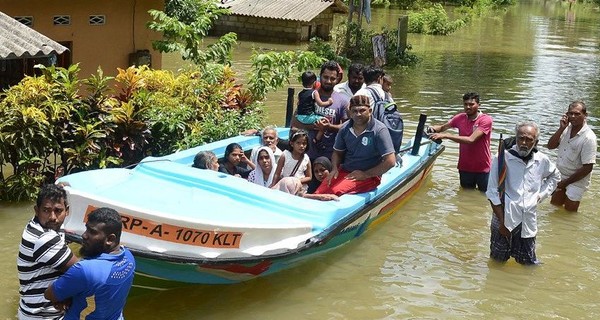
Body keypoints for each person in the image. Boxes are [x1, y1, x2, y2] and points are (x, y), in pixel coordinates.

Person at [486, 121, 560, 265]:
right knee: (497, 261)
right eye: (521, 138)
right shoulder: (502, 158)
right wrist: (502, 223)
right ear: (516, 138)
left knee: (528, 263)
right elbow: (492, 192)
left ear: (536, 142)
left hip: (527, 219)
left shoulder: (541, 160)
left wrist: (541, 195)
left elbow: (555, 176)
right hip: (504, 215)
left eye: (529, 139)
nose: (524, 143)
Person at [45, 207, 135, 320]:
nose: (84, 235)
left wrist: (66, 294)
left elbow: (49, 294)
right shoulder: (129, 257)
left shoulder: (84, 270)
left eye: (92, 232)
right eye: (86, 229)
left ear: (110, 239)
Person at [17, 184, 78, 320]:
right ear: (36, 211)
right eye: (46, 210)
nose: (52, 217)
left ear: (66, 211)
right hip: (41, 316)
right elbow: (82, 272)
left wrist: (59, 186)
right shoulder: (43, 238)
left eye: (58, 211)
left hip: (33, 309)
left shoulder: (41, 224)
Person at [316, 95, 396, 196]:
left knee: (335, 192)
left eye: (362, 110)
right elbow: (337, 152)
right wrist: (334, 169)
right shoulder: (344, 128)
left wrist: (366, 174)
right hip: (346, 170)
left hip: (370, 176)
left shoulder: (379, 130)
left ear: (370, 111)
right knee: (319, 191)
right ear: (350, 112)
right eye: (354, 111)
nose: (358, 114)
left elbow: (390, 161)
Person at [428, 92, 493, 192]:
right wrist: (432, 129)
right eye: (465, 104)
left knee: (485, 197)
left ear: (478, 105)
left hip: (483, 168)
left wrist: (447, 136)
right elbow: (442, 127)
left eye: (471, 104)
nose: (468, 107)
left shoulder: (485, 120)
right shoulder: (460, 118)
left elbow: (471, 140)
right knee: (466, 196)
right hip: (465, 166)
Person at [291, 60, 350, 160]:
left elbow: (346, 127)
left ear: (337, 80)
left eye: (332, 78)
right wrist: (314, 126)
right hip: (305, 153)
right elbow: (294, 122)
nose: (328, 81)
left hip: (328, 154)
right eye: (325, 77)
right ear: (320, 76)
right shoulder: (308, 95)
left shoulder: (343, 100)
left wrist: (329, 127)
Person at [547, 100, 597, 212]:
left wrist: (565, 183)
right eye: (570, 113)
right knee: (554, 206)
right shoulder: (565, 129)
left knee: (570, 213)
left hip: (578, 179)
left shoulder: (589, 138)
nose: (573, 116)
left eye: (577, 114)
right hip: (561, 175)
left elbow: (587, 168)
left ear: (585, 115)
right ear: (566, 114)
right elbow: (550, 146)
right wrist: (561, 129)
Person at [296, 71, 333, 143]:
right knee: (324, 120)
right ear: (314, 82)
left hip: (299, 117)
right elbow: (321, 104)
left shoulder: (300, 93)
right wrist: (329, 102)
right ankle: (317, 139)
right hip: (308, 117)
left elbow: (298, 104)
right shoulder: (314, 92)